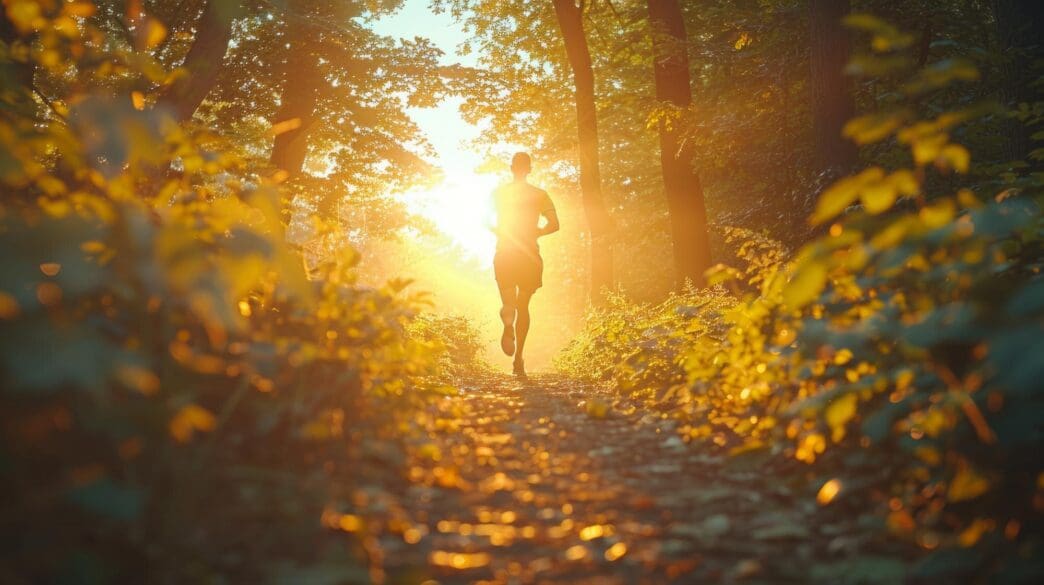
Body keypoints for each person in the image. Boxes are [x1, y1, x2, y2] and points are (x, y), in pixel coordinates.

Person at [491, 152, 559, 377]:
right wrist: (537, 232)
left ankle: (507, 326)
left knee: (508, 304)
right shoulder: (540, 195)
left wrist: (501, 232)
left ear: (511, 168)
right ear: (529, 169)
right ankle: (518, 358)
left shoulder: (499, 193)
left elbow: (485, 221)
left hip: (505, 253)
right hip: (529, 255)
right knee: (524, 307)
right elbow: (555, 224)